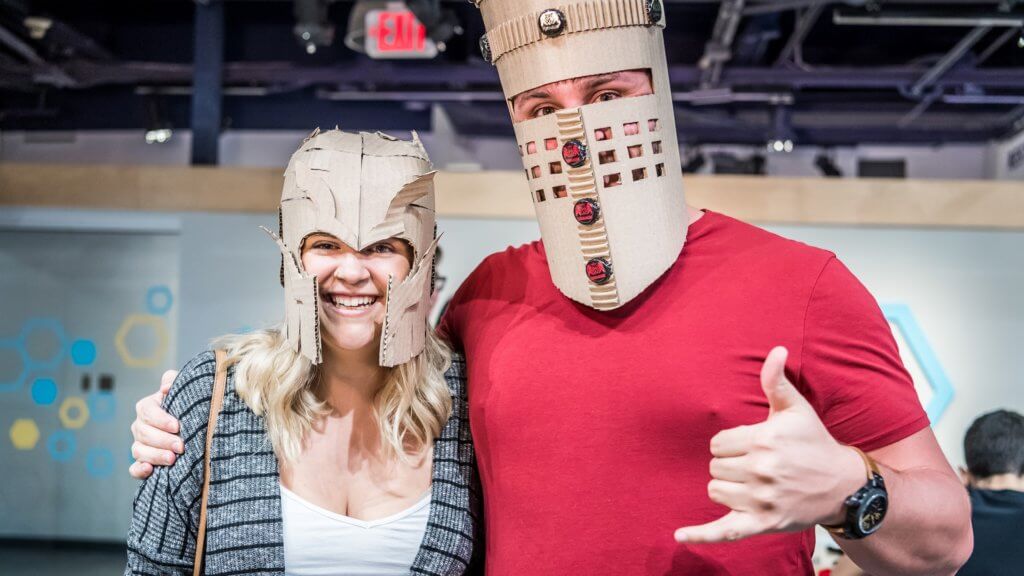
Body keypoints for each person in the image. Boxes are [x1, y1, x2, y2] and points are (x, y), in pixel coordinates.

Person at [129, 1, 972, 574]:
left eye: (607, 95)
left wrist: (848, 492)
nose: (576, 130)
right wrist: (193, 414)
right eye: (541, 106)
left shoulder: (804, 288)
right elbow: (362, 381)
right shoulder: (489, 300)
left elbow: (950, 537)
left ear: (656, 90)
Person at [125, 129, 479, 576]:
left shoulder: (468, 405)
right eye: (326, 244)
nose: (351, 271)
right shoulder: (212, 396)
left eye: (381, 247)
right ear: (291, 257)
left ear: (421, 264)